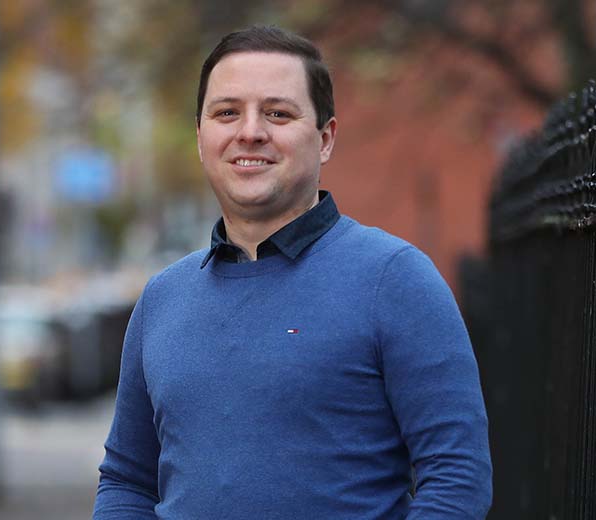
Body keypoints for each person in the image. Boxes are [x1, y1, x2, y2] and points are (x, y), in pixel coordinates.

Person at [92, 25, 492, 519]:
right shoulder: (162, 299)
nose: (250, 131)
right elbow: (127, 482)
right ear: (201, 138)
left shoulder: (395, 279)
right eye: (226, 113)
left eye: (278, 113)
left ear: (324, 139)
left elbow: (457, 478)